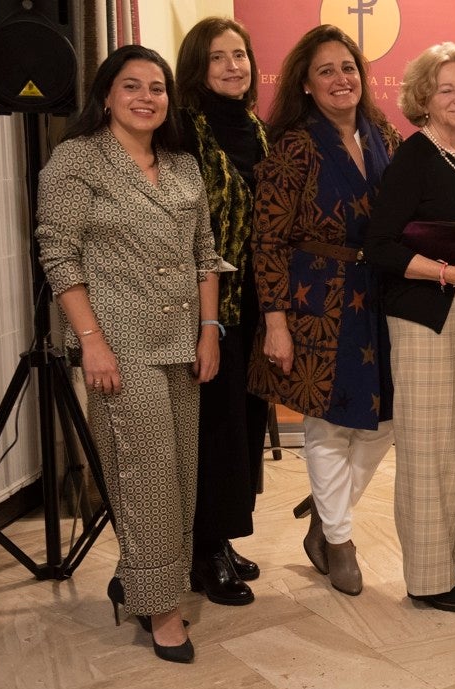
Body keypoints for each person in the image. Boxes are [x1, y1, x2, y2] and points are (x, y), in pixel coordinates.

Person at [35, 45, 220, 663]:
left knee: (180, 475)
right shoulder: (76, 161)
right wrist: (91, 343)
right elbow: (58, 256)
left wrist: (210, 329)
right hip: (118, 343)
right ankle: (161, 608)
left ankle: (138, 580)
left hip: (181, 342)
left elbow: (205, 255)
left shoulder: (184, 165)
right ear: (107, 95)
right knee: (143, 480)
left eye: (158, 87)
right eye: (132, 85)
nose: (147, 97)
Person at [247, 24, 399, 597]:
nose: (342, 79)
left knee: (385, 420)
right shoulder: (292, 146)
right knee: (329, 423)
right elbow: (267, 241)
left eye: (349, 67)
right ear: (306, 86)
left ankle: (324, 504)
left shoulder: (382, 132)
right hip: (316, 301)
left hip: (380, 296)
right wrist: (277, 322)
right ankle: (337, 540)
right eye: (326, 71)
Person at [364, 42, 455, 613]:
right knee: (428, 446)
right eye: (446, 88)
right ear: (423, 97)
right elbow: (379, 246)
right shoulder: (413, 157)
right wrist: (448, 272)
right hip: (425, 312)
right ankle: (429, 575)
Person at [175, 15, 269, 608]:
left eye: (241, 55)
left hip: (259, 304)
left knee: (244, 426)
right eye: (219, 57)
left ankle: (222, 536)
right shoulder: (185, 131)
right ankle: (201, 550)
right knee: (212, 428)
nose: (235, 66)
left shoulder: (258, 129)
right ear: (197, 68)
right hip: (206, 306)